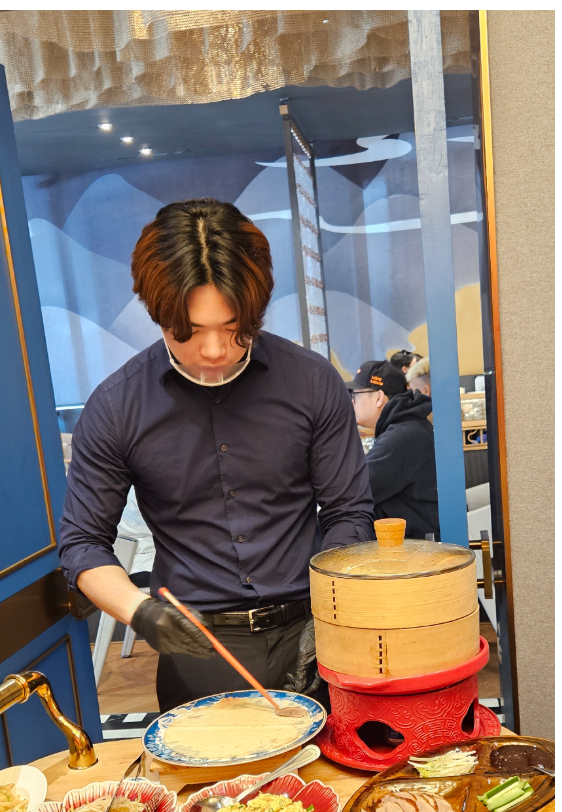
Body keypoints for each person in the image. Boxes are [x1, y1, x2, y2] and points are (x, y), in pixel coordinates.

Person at [60, 199, 374, 712]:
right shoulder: (117, 406)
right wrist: (140, 611)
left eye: (233, 327)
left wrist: (333, 612)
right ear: (156, 312)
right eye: (188, 330)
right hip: (198, 647)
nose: (213, 350)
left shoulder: (311, 382)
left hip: (317, 629)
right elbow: (82, 544)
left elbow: (348, 511)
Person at [351, 359, 439, 539]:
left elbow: (352, 491)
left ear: (378, 397)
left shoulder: (398, 439)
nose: (352, 402)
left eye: (355, 395)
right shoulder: (409, 425)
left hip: (419, 554)